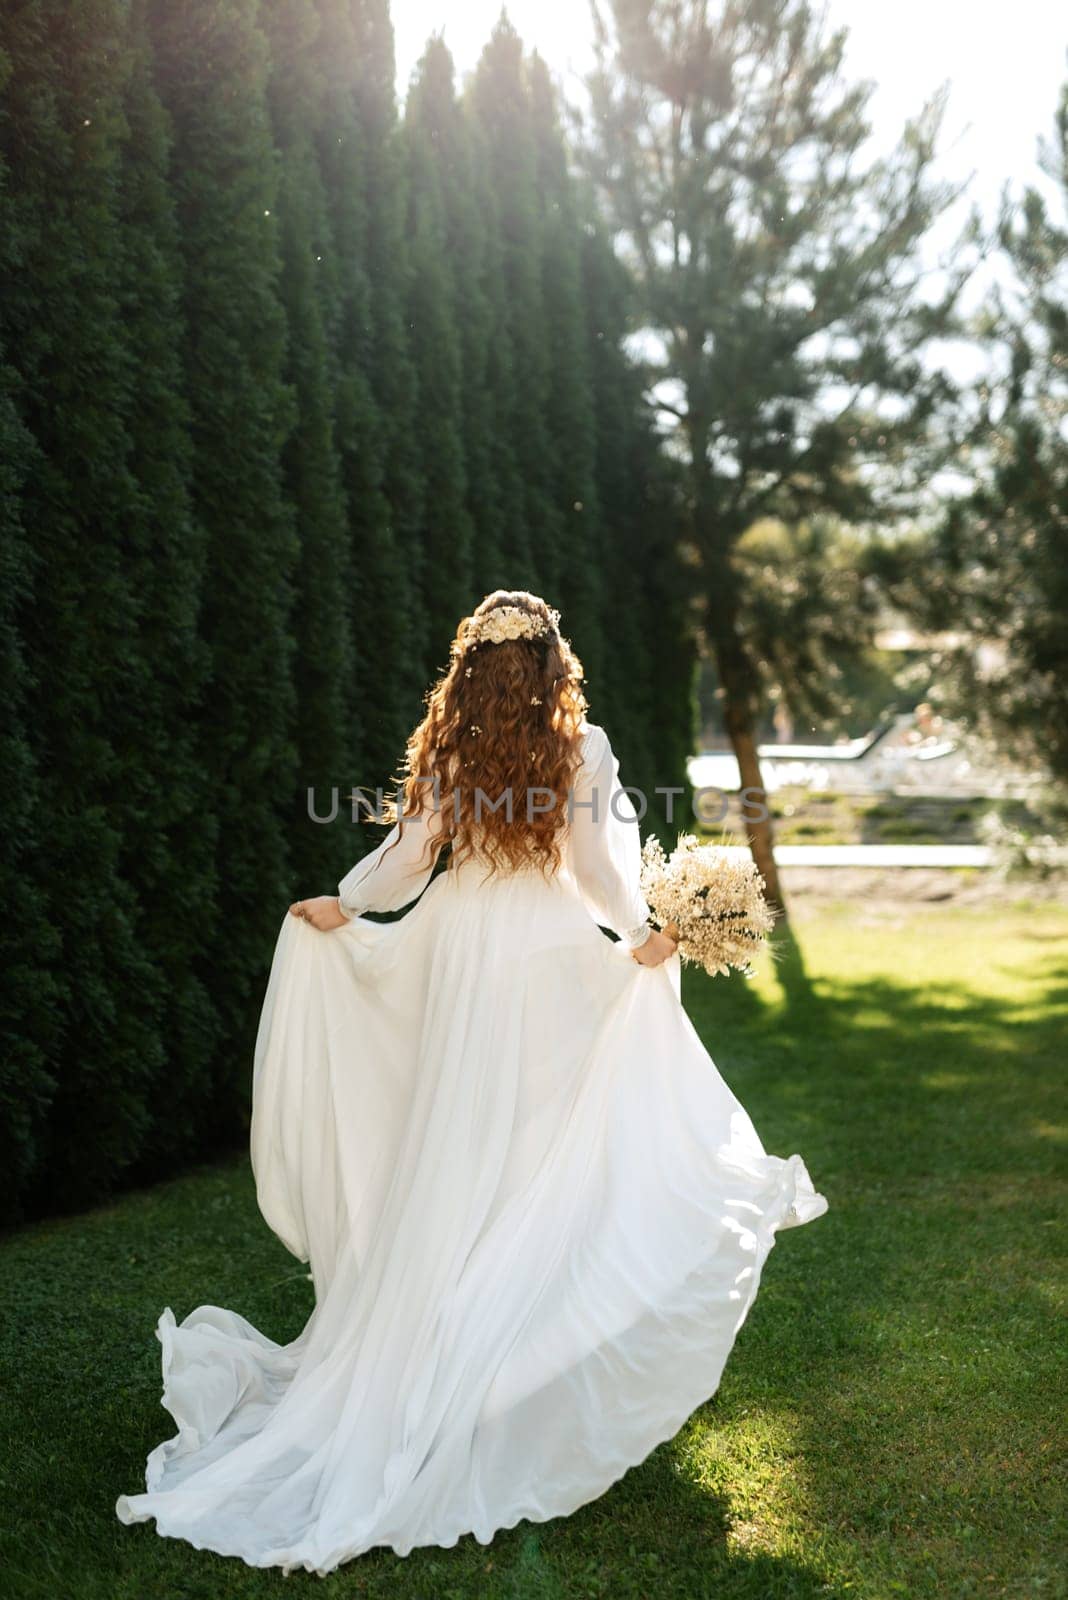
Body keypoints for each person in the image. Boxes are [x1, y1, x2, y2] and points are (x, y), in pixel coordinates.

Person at [115, 590, 828, 1575]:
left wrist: (344, 901)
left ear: (472, 670)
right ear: (550, 666)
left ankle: (443, 1355)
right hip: (543, 961)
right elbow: (592, 875)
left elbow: (409, 861)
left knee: (456, 1147)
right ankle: (507, 1364)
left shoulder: (450, 747)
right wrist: (646, 937)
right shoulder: (583, 748)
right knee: (537, 1154)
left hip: (459, 956)